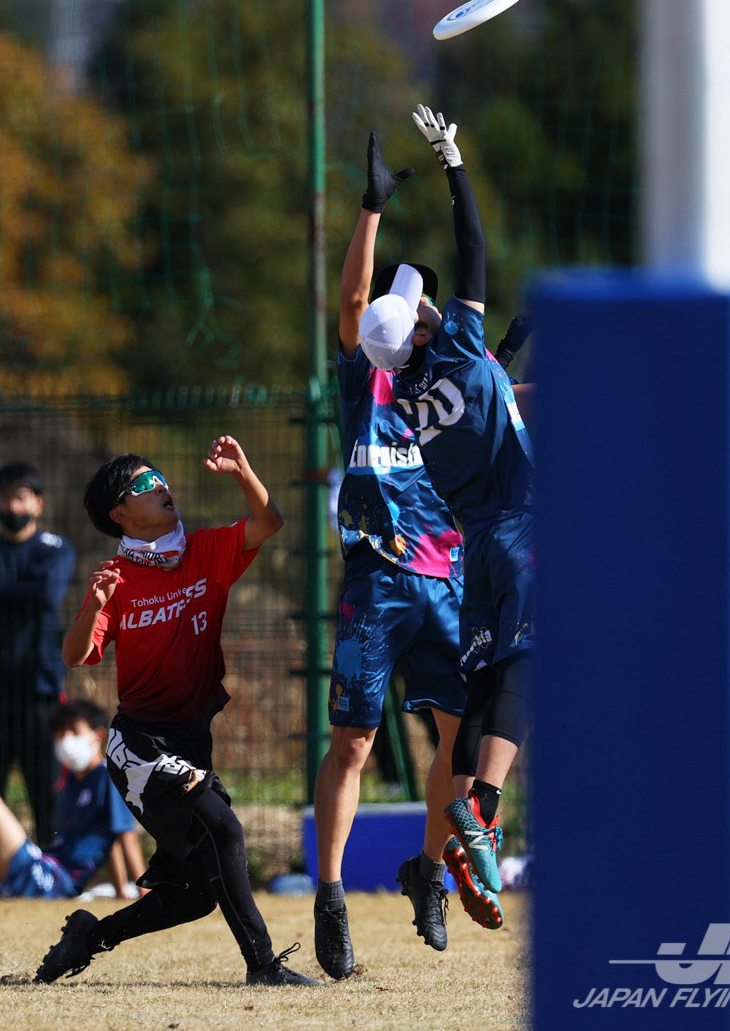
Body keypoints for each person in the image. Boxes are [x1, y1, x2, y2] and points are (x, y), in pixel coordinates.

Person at [34, 440, 321, 987]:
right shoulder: (116, 578)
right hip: (139, 745)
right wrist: (95, 608)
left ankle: (88, 938)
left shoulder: (205, 551)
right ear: (119, 513)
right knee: (225, 830)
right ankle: (263, 966)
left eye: (160, 476)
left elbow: (270, 522)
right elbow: (74, 655)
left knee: (193, 895)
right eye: (144, 484)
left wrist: (243, 470)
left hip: (191, 743)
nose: (161, 486)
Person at [356, 104, 537, 930]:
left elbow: (486, 393)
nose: (425, 301)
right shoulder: (458, 343)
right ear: (425, 328)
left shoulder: (407, 387)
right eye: (420, 304)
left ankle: (473, 825)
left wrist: (510, 350)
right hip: (523, 529)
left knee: (483, 684)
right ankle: (483, 811)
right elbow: (475, 250)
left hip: (474, 550)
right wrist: (454, 165)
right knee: (528, 669)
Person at [311, 131, 469, 977]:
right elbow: (351, 300)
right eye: (409, 307)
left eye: (425, 307)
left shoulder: (456, 384)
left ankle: (428, 871)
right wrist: (372, 208)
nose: (418, 314)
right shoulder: (364, 380)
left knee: (464, 741)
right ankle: (331, 896)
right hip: (377, 579)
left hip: (448, 583)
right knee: (354, 743)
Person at [0, 700, 145, 903]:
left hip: (55, 880)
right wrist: (119, 892)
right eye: (60, 734)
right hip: (48, 865)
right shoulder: (74, 780)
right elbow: (109, 841)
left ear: (98, 735)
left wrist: (145, 891)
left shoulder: (109, 776)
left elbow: (126, 835)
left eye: (74, 731)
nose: (66, 740)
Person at [0, 462, 76, 845]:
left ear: (38, 503)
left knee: (48, 793)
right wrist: (25, 594)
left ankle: (52, 864)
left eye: (20, 498)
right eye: (5, 498)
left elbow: (48, 595)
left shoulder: (55, 550)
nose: (12, 506)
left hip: (41, 693)